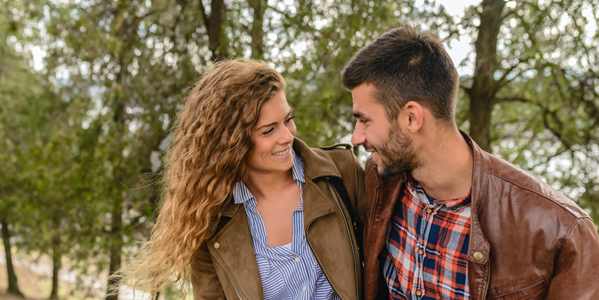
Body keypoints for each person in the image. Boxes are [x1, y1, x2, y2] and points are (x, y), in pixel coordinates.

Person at [341, 26, 599, 300]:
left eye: (364, 120)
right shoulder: (382, 177)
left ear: (411, 118)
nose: (356, 137)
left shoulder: (561, 231)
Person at [117, 58, 365, 300]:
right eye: (268, 130)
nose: (287, 136)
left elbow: (385, 263)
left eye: (288, 119)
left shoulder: (342, 173)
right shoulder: (209, 221)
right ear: (231, 143)